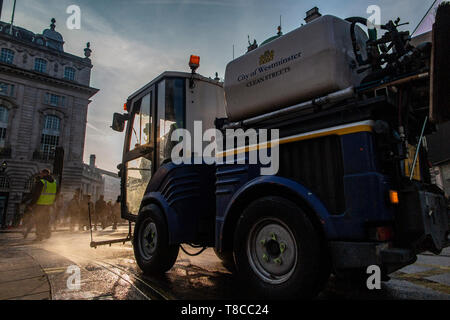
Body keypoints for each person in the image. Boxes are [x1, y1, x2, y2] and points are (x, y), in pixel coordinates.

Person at [29, 169, 57, 241]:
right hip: (48, 205)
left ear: (44, 173)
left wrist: (31, 204)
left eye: (41, 173)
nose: (40, 175)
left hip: (40, 204)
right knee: (46, 220)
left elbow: (36, 195)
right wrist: (53, 202)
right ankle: (47, 232)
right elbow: (57, 194)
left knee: (39, 220)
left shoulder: (42, 182)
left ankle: (39, 236)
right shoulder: (54, 182)